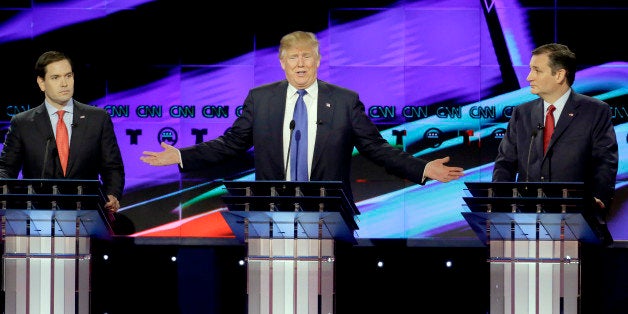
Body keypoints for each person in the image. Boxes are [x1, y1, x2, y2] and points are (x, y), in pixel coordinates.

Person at [140, 30, 464, 198]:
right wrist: (182, 156)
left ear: (318, 60)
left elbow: (376, 148)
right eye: (292, 57)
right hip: (271, 211)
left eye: (306, 56)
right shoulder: (261, 99)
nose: (299, 63)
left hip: (328, 211)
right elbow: (230, 143)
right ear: (282, 62)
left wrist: (421, 169)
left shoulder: (345, 101)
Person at [492, 43, 618, 240]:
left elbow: (605, 162)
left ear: (559, 75)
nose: (529, 77)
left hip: (578, 224)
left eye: (537, 70)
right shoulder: (522, 114)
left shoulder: (595, 111)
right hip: (528, 225)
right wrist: (499, 206)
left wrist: (597, 199)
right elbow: (505, 164)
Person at [0, 50, 125, 212]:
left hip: (87, 215)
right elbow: (6, 170)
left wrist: (112, 194)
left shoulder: (98, 119)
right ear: (41, 83)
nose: (64, 83)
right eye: (55, 78)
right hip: (37, 215)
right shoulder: (22, 123)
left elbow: (112, 167)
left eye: (68, 76)